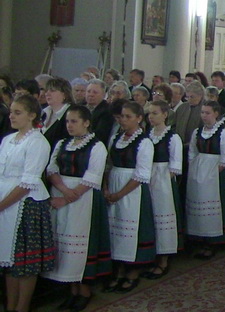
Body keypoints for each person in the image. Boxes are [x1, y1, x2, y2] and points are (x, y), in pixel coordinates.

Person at [43, 105, 111, 311]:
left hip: (83, 199)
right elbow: (52, 168)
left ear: (86, 122)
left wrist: (67, 198)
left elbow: (93, 176)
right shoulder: (62, 143)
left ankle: (84, 291)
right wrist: (63, 191)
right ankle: (71, 289)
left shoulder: (97, 146)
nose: (69, 125)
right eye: (67, 121)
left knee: (81, 245)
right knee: (63, 243)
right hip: (62, 194)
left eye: (74, 121)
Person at [0, 95, 55, 312]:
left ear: (32, 115)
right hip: (5, 201)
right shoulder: (8, 140)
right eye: (11, 112)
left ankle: (22, 307)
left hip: (26, 205)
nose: (12, 116)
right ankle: (10, 305)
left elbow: (28, 182)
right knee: (10, 260)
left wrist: (1, 205)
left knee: (25, 262)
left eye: (18, 112)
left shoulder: (38, 142)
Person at [104, 101, 155, 293]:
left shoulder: (144, 142)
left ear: (139, 118)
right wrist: (107, 188)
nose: (123, 120)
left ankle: (133, 271)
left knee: (132, 228)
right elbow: (108, 165)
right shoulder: (116, 138)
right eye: (122, 116)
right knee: (115, 227)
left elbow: (142, 174)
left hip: (132, 190)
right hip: (114, 184)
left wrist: (119, 194)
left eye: (128, 117)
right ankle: (118, 269)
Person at [187, 100, 225, 258]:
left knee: (214, 205)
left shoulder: (223, 132)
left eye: (207, 113)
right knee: (198, 202)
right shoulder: (197, 131)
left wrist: (211, 174)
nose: (204, 116)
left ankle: (214, 240)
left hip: (215, 174)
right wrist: (196, 169)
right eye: (202, 112)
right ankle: (200, 237)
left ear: (216, 114)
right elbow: (192, 152)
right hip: (198, 172)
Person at [142, 101, 183, 280]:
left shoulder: (172, 137)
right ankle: (150, 254)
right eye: (149, 113)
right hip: (147, 178)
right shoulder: (146, 135)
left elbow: (175, 166)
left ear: (165, 115)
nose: (151, 117)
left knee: (163, 217)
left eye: (155, 113)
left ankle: (164, 258)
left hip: (163, 181)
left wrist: (160, 180)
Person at [42, 77, 74, 149]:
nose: (47, 94)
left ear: (64, 94)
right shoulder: (44, 113)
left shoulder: (72, 113)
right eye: (46, 91)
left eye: (52, 91)